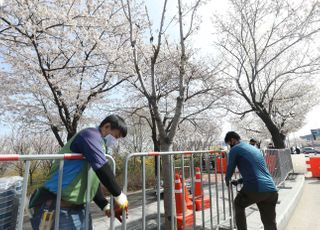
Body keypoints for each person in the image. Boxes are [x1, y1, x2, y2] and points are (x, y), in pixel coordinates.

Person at [29, 115, 128, 229]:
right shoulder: (89, 135)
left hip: (79, 208)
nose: (115, 141)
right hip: (57, 207)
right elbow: (101, 168)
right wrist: (119, 194)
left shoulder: (101, 146)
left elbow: (91, 179)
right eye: (116, 136)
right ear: (106, 126)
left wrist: (104, 205)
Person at [224, 131, 278, 230]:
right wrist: (240, 181)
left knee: (238, 204)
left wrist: (227, 179)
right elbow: (258, 171)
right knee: (269, 222)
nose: (229, 147)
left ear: (232, 140)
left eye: (228, 144)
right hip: (271, 189)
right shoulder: (254, 149)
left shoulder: (235, 149)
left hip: (256, 188)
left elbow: (230, 166)